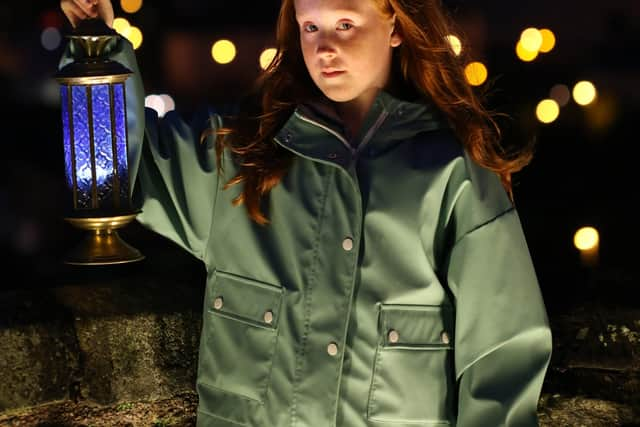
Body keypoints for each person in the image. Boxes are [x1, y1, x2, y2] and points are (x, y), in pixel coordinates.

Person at [60, 0, 553, 425]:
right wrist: (97, 43)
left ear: (396, 25)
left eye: (344, 24)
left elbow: (501, 351)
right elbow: (117, 168)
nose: (324, 48)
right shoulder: (237, 160)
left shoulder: (452, 173)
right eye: (310, 27)